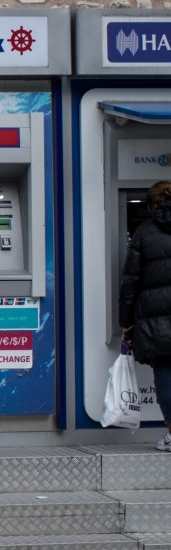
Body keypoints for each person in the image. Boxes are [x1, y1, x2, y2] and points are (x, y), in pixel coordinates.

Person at [120, 180, 171, 452]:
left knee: (166, 371)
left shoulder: (144, 232)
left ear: (152, 204)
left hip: (156, 318)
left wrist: (125, 322)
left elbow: (130, 282)